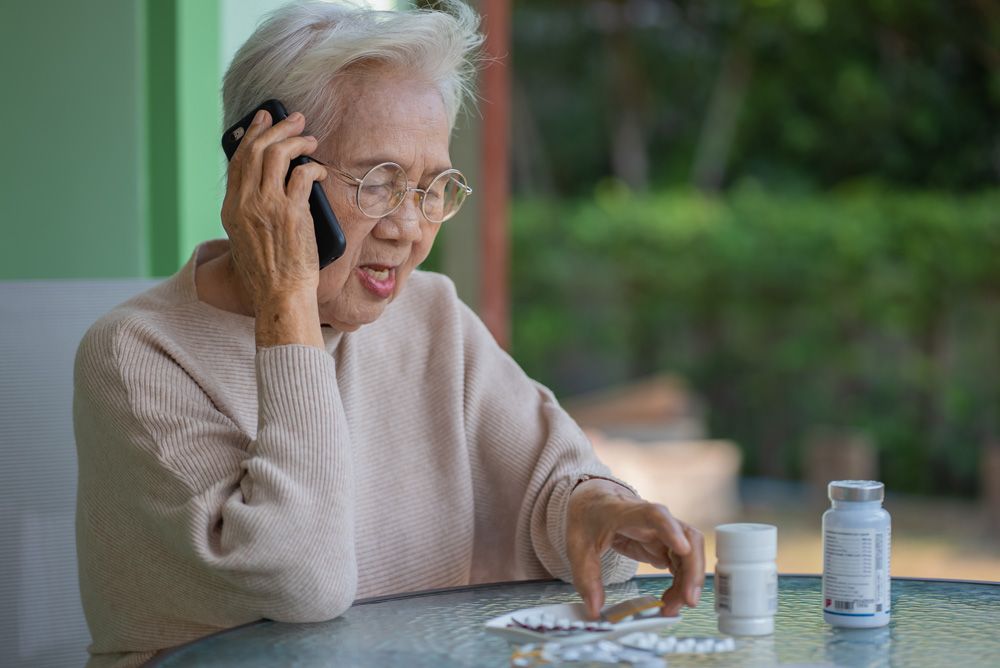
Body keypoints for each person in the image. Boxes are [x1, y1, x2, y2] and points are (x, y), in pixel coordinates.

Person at [73, 2, 705, 666]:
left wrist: (598, 512)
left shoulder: (429, 315)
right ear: (271, 176)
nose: (411, 228)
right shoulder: (136, 356)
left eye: (434, 187)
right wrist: (285, 300)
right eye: (379, 182)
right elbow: (300, 581)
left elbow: (554, 483)